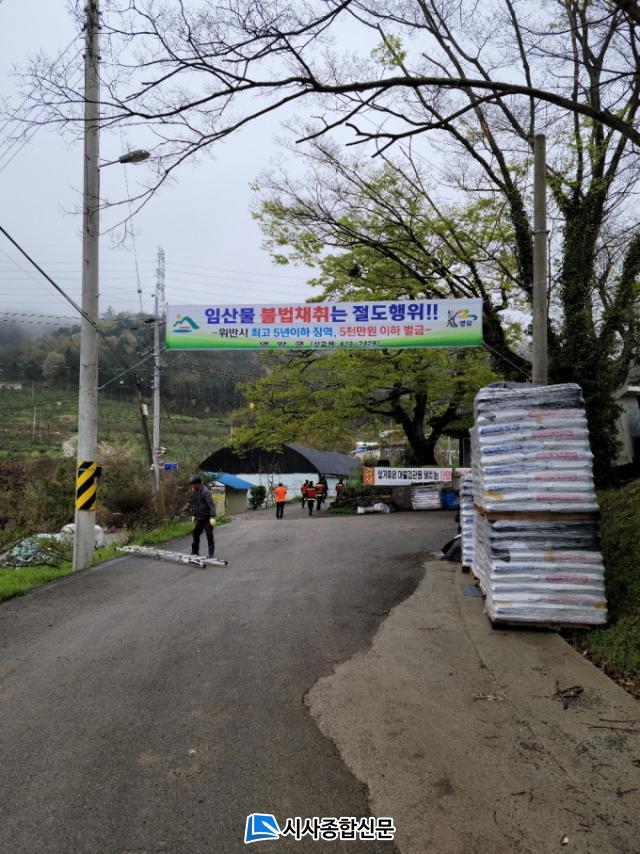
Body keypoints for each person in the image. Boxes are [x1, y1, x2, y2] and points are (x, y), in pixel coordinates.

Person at [189, 475, 216, 558]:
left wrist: (212, 517)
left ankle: (211, 555)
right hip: (200, 518)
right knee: (195, 533)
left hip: (207, 518)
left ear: (198, 484)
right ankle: (195, 552)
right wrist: (194, 515)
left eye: (193, 484)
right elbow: (194, 504)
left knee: (209, 535)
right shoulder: (194, 492)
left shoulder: (205, 492)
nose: (192, 486)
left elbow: (211, 505)